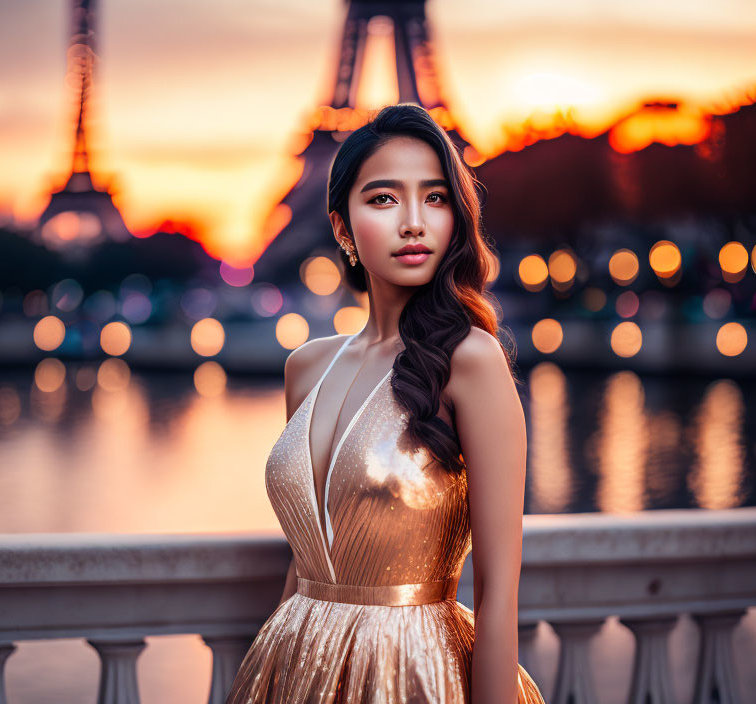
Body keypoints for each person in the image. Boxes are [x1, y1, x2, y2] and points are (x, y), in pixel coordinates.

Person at [226, 103, 546, 703]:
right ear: (342, 227)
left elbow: (499, 592)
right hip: (292, 666)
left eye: (435, 197)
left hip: (412, 673)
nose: (414, 223)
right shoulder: (306, 367)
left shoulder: (470, 360)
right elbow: (307, 559)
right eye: (383, 199)